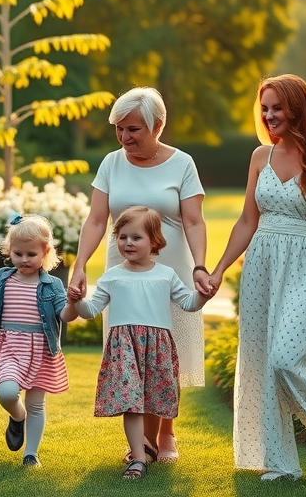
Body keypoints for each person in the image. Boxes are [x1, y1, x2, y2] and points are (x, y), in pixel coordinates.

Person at [205, 74, 306, 481]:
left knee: (283, 359)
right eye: (265, 108)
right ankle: (280, 462)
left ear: (298, 107)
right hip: (261, 266)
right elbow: (246, 221)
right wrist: (220, 269)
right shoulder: (261, 157)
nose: (269, 115)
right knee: (261, 360)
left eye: (277, 107)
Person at [67, 86, 212, 463]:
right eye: (119, 128)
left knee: (166, 352)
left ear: (158, 125)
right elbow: (97, 219)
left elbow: (195, 221)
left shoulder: (182, 163)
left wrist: (199, 265)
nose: (124, 137)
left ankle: (165, 432)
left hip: (172, 267)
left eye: (133, 129)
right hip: (123, 267)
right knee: (130, 352)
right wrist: (80, 265)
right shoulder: (111, 163)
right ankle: (140, 444)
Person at [65, 206, 210, 479]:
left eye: (136, 237)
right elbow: (90, 311)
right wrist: (77, 301)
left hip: (157, 348)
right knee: (131, 401)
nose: (128, 243)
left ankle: (149, 447)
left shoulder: (165, 275)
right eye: (122, 237)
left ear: (155, 241)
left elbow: (189, 304)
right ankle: (139, 458)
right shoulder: (112, 276)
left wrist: (203, 295)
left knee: (153, 399)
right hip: (124, 348)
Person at [0, 214, 69, 468]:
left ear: (45, 253)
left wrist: (74, 302)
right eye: (18, 254)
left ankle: (31, 454)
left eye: (31, 254)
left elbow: (66, 316)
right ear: (10, 252)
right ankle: (17, 417)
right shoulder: (2, 278)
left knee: (37, 404)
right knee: (7, 393)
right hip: (10, 347)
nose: (24, 259)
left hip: (41, 349)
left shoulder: (53, 285)